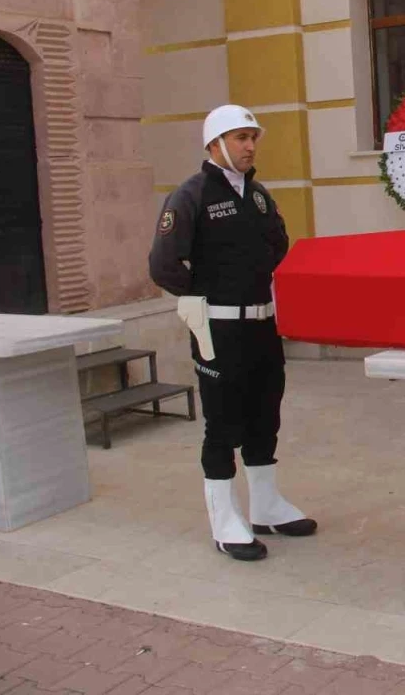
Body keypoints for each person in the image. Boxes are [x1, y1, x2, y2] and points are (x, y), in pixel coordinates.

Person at [148, 104, 316, 562]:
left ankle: (266, 506)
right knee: (223, 423)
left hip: (263, 325)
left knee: (265, 414)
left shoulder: (258, 195)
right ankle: (225, 519)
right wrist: (204, 296)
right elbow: (163, 264)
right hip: (218, 330)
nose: (250, 145)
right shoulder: (191, 195)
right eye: (241, 137)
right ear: (215, 143)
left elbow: (278, 247)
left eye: (252, 137)